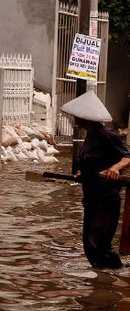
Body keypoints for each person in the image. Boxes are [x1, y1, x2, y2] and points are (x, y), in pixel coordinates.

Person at [62, 90, 130, 269]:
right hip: (91, 197)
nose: (74, 119)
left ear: (85, 118)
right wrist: (80, 173)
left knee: (99, 243)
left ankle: (114, 277)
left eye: (76, 116)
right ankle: (102, 278)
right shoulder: (90, 137)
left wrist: (115, 168)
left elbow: (127, 157)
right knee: (89, 244)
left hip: (106, 198)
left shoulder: (108, 135)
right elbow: (89, 164)